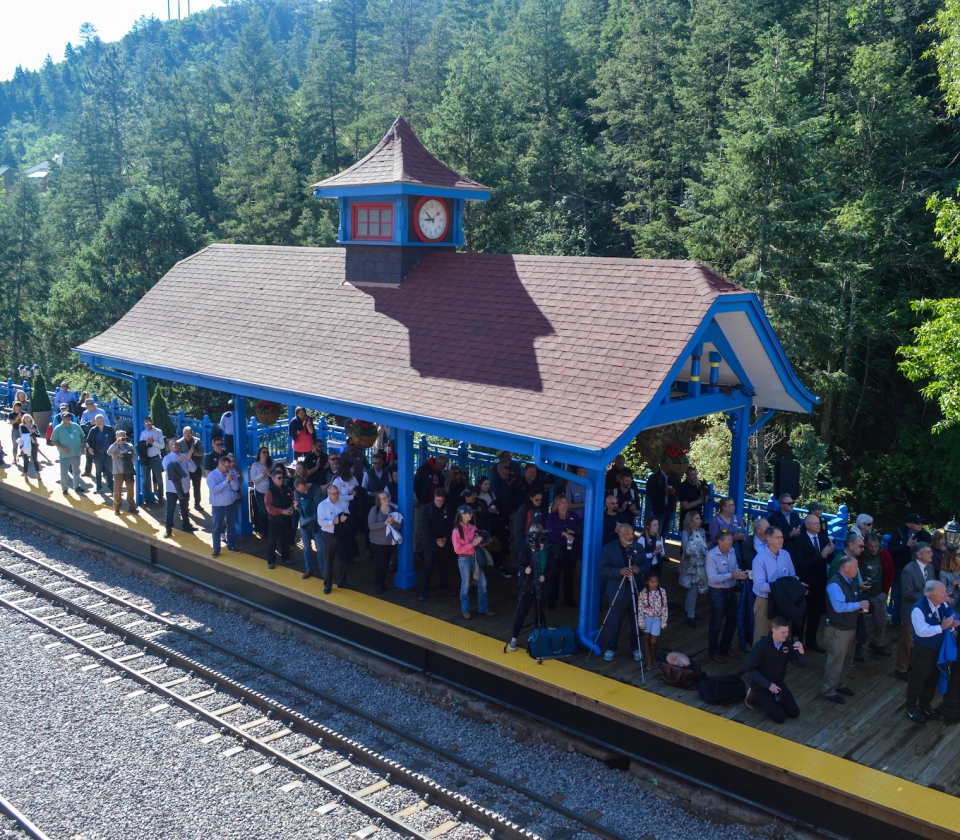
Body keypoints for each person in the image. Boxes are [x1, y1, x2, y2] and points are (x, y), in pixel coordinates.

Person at [905, 580, 959, 724]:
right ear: (931, 594)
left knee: (932, 680)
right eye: (942, 592)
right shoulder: (918, 609)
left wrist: (952, 624)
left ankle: (925, 706)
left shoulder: (942, 605)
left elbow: (950, 619)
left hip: (937, 650)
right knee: (918, 680)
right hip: (924, 651)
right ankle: (910, 708)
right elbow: (921, 632)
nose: (945, 594)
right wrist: (941, 627)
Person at [822, 555, 870, 704]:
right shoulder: (835, 585)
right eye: (855, 566)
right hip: (838, 630)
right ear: (846, 568)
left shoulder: (849, 581)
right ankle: (828, 690)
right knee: (835, 662)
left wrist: (860, 607)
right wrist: (859, 605)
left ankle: (840, 685)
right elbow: (839, 607)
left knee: (847, 660)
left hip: (849, 627)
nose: (858, 569)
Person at [744, 617, 806, 723]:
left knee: (794, 713)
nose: (786, 635)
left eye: (787, 632)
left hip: (778, 683)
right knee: (780, 718)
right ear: (774, 630)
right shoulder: (760, 647)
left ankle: (772, 701)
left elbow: (801, 664)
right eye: (783, 632)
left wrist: (801, 653)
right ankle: (755, 695)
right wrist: (768, 685)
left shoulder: (786, 645)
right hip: (761, 685)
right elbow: (750, 669)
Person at [600, 523, 647, 661]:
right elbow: (603, 569)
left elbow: (646, 565)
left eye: (632, 533)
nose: (631, 536)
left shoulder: (638, 547)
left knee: (637, 621)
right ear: (619, 534)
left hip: (635, 588)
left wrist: (639, 569)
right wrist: (619, 572)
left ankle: (636, 648)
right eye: (627, 534)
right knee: (614, 621)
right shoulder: (609, 548)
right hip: (617, 591)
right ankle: (610, 648)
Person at [789, 513, 834, 653]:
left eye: (818, 523)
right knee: (801, 614)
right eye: (814, 523)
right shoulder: (800, 540)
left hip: (820, 582)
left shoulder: (823, 537)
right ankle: (796, 643)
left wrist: (831, 552)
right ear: (807, 525)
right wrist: (822, 555)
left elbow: (829, 559)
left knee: (815, 614)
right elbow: (801, 563)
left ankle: (811, 641)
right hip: (805, 584)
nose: (818, 525)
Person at [508, 525, 554, 651]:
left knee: (539, 613)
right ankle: (514, 638)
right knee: (521, 612)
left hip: (541, 586)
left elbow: (552, 568)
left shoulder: (548, 549)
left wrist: (545, 576)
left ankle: (537, 639)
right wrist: (525, 570)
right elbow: (521, 564)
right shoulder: (527, 548)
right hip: (528, 585)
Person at [895, 541, 936, 682]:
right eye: (928, 552)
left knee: (918, 639)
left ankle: (911, 663)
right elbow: (907, 594)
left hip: (924, 610)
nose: (932, 554)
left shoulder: (929, 567)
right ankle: (900, 668)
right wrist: (928, 594)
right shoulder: (908, 570)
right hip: (911, 610)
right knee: (907, 640)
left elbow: (931, 585)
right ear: (919, 555)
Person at [705, 530, 748, 663]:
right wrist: (732, 575)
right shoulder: (711, 556)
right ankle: (713, 651)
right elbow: (712, 578)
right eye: (729, 539)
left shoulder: (732, 551)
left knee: (732, 620)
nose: (731, 541)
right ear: (720, 542)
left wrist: (741, 574)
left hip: (730, 590)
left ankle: (725, 647)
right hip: (717, 592)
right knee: (716, 622)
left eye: (731, 539)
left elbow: (734, 567)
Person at [752, 527, 796, 643]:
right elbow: (760, 585)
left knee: (781, 635)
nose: (781, 540)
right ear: (769, 539)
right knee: (761, 637)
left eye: (782, 537)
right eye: (777, 537)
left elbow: (792, 576)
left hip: (782, 601)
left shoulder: (786, 554)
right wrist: (783, 587)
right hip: (765, 601)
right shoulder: (759, 559)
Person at [888, 514, 932, 626]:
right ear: (909, 524)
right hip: (901, 570)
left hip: (919, 570)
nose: (920, 525)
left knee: (918, 595)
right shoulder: (899, 533)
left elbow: (928, 549)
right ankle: (896, 621)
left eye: (921, 523)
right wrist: (905, 546)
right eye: (917, 523)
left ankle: (916, 622)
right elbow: (891, 549)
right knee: (898, 596)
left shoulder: (925, 535)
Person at [451, 505, 493, 620]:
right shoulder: (456, 531)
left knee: (482, 583)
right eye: (469, 513)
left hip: (474, 558)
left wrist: (483, 541)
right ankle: (465, 609)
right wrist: (473, 544)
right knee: (465, 584)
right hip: (464, 559)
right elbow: (457, 549)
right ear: (462, 515)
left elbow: (479, 544)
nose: (471, 514)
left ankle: (483, 608)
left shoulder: (473, 528)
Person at [861, 533, 894, 655]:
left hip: (878, 593)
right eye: (871, 546)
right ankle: (858, 646)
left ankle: (877, 643)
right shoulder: (860, 554)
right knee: (861, 621)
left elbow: (890, 572)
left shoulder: (885, 554)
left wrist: (885, 591)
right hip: (863, 594)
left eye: (876, 545)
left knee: (881, 620)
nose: (874, 549)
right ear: (865, 545)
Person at [420, 486, 455, 600]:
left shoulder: (448, 508)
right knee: (427, 566)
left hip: (444, 542)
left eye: (441, 501)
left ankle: (444, 587)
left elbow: (450, 526)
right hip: (430, 542)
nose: (439, 502)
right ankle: (424, 591)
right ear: (434, 498)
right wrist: (436, 540)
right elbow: (425, 528)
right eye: (437, 500)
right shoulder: (427, 508)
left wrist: (445, 538)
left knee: (444, 565)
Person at [545, 494, 579, 609]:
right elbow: (549, 531)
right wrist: (563, 533)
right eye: (562, 503)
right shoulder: (552, 516)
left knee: (570, 575)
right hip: (556, 548)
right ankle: (552, 601)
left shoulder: (574, 515)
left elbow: (581, 527)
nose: (565, 505)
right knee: (555, 575)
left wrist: (574, 531)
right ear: (557, 505)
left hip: (571, 548)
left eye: (566, 502)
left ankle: (569, 600)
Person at [317, 483, 351, 593]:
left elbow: (348, 513)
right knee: (328, 561)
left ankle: (342, 581)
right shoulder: (322, 505)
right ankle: (327, 584)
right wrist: (334, 521)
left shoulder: (342, 501)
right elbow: (320, 522)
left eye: (338, 493)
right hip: (328, 535)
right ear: (328, 494)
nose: (337, 495)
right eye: (334, 494)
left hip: (341, 535)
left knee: (342, 559)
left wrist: (344, 518)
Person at [413, 452, 448, 557]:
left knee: (431, 527)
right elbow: (415, 484)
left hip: (433, 505)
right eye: (444, 465)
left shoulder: (440, 475)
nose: (445, 467)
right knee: (419, 526)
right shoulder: (423, 469)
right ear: (440, 463)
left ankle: (427, 548)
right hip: (421, 503)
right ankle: (417, 550)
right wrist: (415, 499)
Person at [678, 511, 708, 628]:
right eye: (697, 518)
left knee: (692, 589)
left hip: (700, 564)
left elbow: (704, 546)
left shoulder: (701, 531)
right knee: (693, 589)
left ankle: (688, 610)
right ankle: (690, 614)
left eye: (699, 518)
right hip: (690, 565)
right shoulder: (686, 532)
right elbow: (686, 549)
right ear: (691, 521)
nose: (700, 520)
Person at [207, 455, 241, 557]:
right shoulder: (212, 476)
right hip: (218, 506)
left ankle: (231, 546)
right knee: (217, 528)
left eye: (229, 466)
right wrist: (225, 481)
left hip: (231, 505)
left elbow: (236, 488)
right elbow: (214, 490)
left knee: (231, 527)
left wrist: (231, 480)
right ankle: (216, 549)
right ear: (220, 464)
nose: (228, 468)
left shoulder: (230, 473)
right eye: (226, 466)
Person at [368, 490, 401, 593]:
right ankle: (379, 584)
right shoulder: (375, 510)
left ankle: (382, 582)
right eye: (384, 498)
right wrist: (385, 523)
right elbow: (371, 526)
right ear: (379, 501)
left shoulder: (394, 510)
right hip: (377, 543)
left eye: (387, 497)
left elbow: (398, 526)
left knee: (385, 563)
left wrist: (392, 523)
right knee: (381, 563)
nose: (387, 499)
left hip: (390, 542)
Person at [162, 436, 194, 537]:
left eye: (177, 444)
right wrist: (178, 462)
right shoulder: (166, 458)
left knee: (185, 507)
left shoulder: (184, 455)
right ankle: (168, 528)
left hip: (184, 487)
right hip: (172, 489)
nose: (176, 446)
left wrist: (188, 460)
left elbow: (193, 469)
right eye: (173, 445)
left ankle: (186, 524)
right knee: (170, 509)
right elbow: (169, 470)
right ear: (169, 448)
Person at [51, 410, 87, 496]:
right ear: (62, 418)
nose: (68, 418)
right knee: (64, 472)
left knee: (77, 470)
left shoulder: (76, 426)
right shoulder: (58, 428)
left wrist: (82, 445)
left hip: (76, 453)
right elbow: (53, 441)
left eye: (69, 416)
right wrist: (62, 448)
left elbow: (83, 436)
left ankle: (77, 486)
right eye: (66, 417)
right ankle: (64, 488)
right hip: (65, 454)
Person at [265, 467, 295, 569]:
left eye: (282, 477)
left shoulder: (288, 489)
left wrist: (291, 508)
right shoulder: (270, 491)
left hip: (286, 520)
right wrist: (282, 511)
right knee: (272, 541)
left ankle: (286, 557)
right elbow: (269, 507)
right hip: (275, 520)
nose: (282, 479)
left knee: (286, 539)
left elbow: (292, 500)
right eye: (279, 478)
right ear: (273, 479)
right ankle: (271, 560)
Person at [637, 571, 668, 670]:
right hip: (646, 618)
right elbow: (640, 609)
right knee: (647, 640)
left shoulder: (662, 592)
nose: (655, 584)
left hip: (657, 619)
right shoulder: (643, 593)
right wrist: (641, 623)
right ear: (647, 582)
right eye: (652, 582)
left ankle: (654, 657)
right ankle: (649, 659)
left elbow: (665, 607)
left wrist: (663, 621)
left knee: (654, 641)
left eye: (656, 581)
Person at [294, 476, 323, 578]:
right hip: (304, 522)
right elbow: (301, 509)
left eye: (303, 489)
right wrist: (305, 506)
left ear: (306, 484)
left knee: (320, 547)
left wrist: (301, 505)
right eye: (299, 491)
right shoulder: (297, 491)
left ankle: (322, 569)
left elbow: (316, 505)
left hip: (316, 521)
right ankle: (309, 569)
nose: (301, 492)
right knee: (306, 547)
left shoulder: (316, 488)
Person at [106, 430, 137, 514]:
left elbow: (134, 456)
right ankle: (117, 507)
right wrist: (116, 443)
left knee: (130, 489)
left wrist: (125, 456)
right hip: (118, 471)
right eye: (121, 436)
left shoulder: (129, 446)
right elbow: (109, 452)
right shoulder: (114, 446)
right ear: (116, 437)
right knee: (117, 490)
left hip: (128, 470)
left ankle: (131, 506)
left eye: (124, 436)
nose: (123, 438)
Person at [645, 461, 679, 537]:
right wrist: (663, 492)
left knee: (665, 533)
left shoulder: (675, 477)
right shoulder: (654, 477)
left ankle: (662, 547)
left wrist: (674, 491)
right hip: (659, 509)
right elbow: (650, 493)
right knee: (656, 532)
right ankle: (654, 547)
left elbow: (680, 490)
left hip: (671, 509)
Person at [85, 414, 115, 493]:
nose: (99, 422)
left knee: (110, 470)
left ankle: (110, 485)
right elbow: (87, 441)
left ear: (103, 420)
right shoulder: (93, 430)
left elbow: (115, 440)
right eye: (97, 421)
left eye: (100, 420)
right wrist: (89, 448)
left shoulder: (109, 429)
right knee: (98, 471)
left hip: (108, 453)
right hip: (98, 453)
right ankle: (98, 486)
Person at [177, 427, 205, 512]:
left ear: (192, 433)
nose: (188, 436)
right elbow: (178, 455)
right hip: (185, 468)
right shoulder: (179, 442)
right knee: (185, 487)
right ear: (183, 434)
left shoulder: (197, 441)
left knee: (197, 486)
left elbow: (202, 453)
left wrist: (194, 452)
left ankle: (197, 504)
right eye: (186, 434)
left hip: (196, 467)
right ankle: (185, 504)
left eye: (189, 434)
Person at [248, 447, 272, 535]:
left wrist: (269, 474)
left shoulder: (271, 464)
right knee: (263, 511)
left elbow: (277, 476)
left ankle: (271, 530)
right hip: (260, 491)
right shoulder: (255, 465)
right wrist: (263, 474)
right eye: (263, 452)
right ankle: (264, 531)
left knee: (271, 510)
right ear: (259, 454)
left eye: (267, 452)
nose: (265, 454)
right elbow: (253, 480)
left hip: (270, 491)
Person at [636, 516, 667, 582]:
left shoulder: (659, 538)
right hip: (647, 567)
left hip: (657, 566)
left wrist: (660, 551)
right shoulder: (642, 539)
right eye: (654, 525)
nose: (657, 527)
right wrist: (653, 554)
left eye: (657, 524)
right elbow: (640, 556)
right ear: (648, 526)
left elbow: (663, 554)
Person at [16, 413, 40, 478]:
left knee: (35, 460)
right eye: (25, 418)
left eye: (28, 418)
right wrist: (31, 432)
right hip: (26, 445)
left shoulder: (34, 425)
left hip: (33, 444)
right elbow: (23, 435)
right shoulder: (22, 426)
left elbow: (38, 434)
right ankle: (25, 474)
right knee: (26, 460)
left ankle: (38, 473)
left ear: (31, 418)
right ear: (23, 419)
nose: (27, 419)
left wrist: (34, 432)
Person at [940, 547, 960, 612]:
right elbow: (943, 595)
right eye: (959, 555)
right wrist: (952, 584)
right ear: (952, 557)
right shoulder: (944, 573)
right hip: (952, 608)